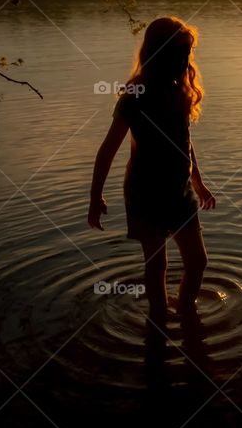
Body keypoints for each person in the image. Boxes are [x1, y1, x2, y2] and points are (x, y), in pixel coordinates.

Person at [88, 17, 216, 325]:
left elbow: (184, 143)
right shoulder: (135, 98)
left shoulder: (179, 91)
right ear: (159, 53)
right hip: (144, 191)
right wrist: (95, 196)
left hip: (180, 190)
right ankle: (158, 321)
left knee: (197, 261)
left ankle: (185, 312)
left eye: (188, 52)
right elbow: (108, 150)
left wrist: (198, 183)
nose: (185, 60)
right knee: (156, 263)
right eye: (179, 52)